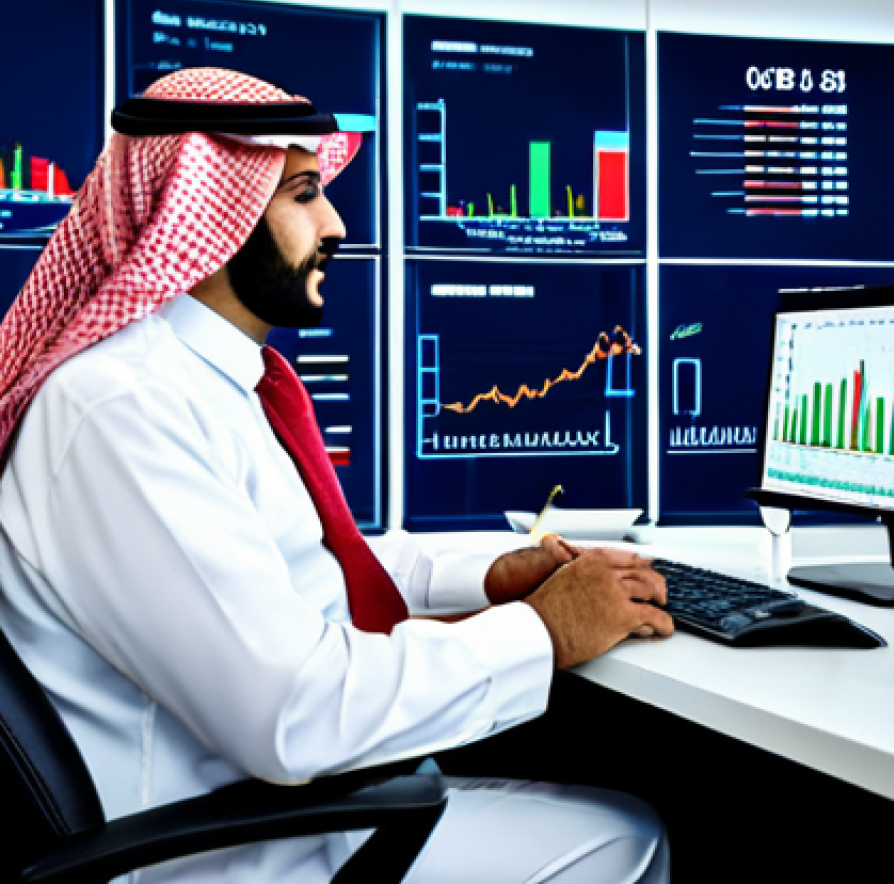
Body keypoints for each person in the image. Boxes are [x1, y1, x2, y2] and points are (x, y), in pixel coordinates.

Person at [0, 67, 674, 883]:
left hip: (277, 809)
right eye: (304, 193)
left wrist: (490, 576)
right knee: (621, 839)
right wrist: (546, 630)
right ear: (213, 212)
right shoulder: (123, 410)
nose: (337, 222)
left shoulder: (205, 383)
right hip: (227, 853)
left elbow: (304, 562)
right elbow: (297, 714)